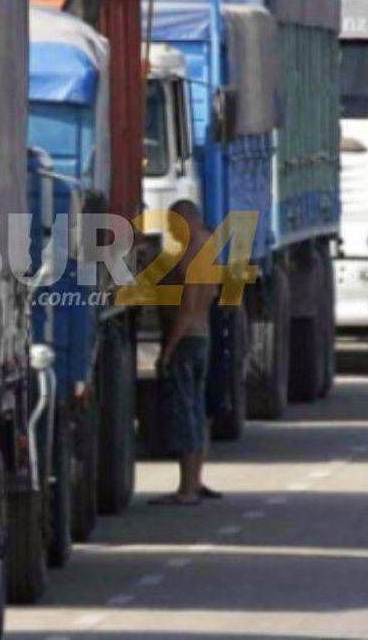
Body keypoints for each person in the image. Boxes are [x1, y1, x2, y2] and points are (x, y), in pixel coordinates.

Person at [151, 200, 219, 506]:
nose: (170, 232)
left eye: (173, 224)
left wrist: (167, 351)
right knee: (198, 412)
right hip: (203, 338)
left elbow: (187, 311)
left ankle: (187, 488)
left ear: (186, 220)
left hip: (187, 340)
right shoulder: (210, 249)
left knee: (185, 414)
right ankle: (195, 481)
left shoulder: (193, 257)